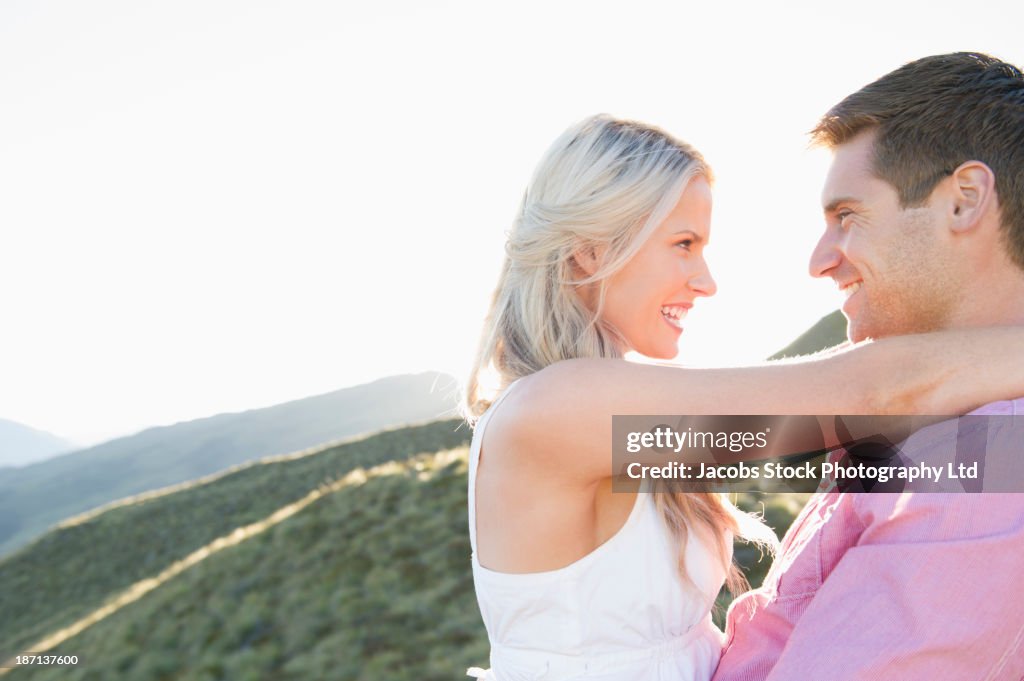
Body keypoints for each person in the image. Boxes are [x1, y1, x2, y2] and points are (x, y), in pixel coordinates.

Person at [463, 113, 1024, 681]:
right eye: (683, 244)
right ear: (590, 251)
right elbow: (874, 392)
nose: (705, 281)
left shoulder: (598, 408)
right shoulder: (559, 410)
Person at [713, 52, 1024, 680]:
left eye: (846, 215)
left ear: (964, 200)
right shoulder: (932, 436)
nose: (819, 259)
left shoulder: (985, 468)